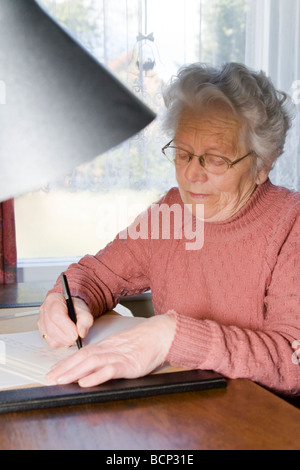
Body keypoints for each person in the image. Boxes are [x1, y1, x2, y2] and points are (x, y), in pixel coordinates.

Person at [39, 62, 300, 396]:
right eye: (183, 153)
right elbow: (94, 276)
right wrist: (65, 299)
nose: (192, 175)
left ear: (263, 164)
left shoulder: (291, 225)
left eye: (216, 159)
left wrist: (171, 335)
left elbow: (291, 363)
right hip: (183, 414)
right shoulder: (170, 213)